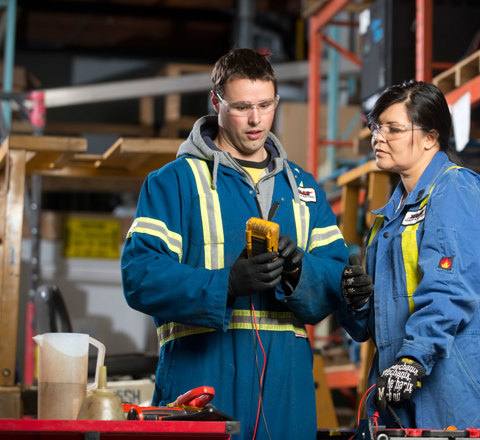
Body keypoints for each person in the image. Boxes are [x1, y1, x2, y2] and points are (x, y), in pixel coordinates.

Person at [121, 48, 348, 440]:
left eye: (266, 104)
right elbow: (140, 274)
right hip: (201, 379)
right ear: (216, 102)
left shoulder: (306, 189)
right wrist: (224, 285)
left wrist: (301, 273)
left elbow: (336, 280)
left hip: (286, 386)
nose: (257, 119)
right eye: (242, 106)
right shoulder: (173, 182)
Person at [338, 80, 480, 429]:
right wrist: (357, 302)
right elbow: (372, 325)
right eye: (376, 127)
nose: (379, 137)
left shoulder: (455, 190)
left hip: (459, 379)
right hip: (402, 377)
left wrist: (413, 359)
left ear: (430, 138)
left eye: (394, 128)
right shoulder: (389, 217)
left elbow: (450, 289)